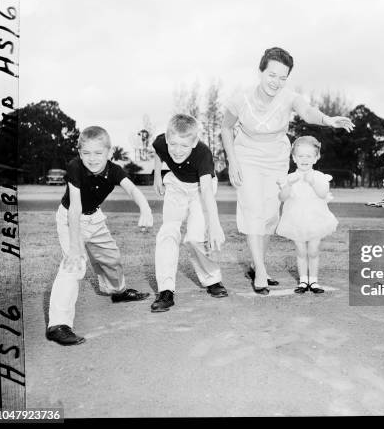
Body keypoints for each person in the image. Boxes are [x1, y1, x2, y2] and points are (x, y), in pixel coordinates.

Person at [221, 47, 354, 295]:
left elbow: (308, 112)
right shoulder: (240, 99)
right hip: (247, 156)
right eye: (272, 75)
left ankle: (255, 262)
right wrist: (233, 161)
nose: (277, 82)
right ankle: (260, 271)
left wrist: (328, 120)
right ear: (261, 71)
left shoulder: (289, 97)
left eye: (283, 77)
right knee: (252, 210)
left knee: (271, 214)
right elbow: (226, 128)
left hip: (276, 158)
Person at [46, 126, 153, 346]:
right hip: (70, 218)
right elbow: (75, 209)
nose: (92, 158)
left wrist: (146, 208)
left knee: (111, 258)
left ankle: (117, 292)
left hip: (94, 218)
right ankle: (58, 324)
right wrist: (75, 247)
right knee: (74, 265)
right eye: (87, 153)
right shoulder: (75, 167)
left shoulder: (114, 170)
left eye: (98, 153)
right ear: (79, 152)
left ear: (109, 152)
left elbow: (132, 190)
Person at [150, 114, 227, 312]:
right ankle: (165, 290)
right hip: (176, 184)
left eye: (184, 146)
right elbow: (158, 151)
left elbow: (207, 192)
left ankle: (212, 279)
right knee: (168, 232)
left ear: (194, 142)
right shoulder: (161, 141)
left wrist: (215, 225)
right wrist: (157, 174)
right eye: (173, 144)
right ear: (167, 139)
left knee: (195, 238)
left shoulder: (202, 153)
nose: (177, 151)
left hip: (200, 189)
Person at [276, 136, 338, 294]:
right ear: (294, 158)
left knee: (313, 250)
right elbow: (282, 198)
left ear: (316, 158)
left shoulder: (319, 177)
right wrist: (288, 185)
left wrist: (313, 182)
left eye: (309, 156)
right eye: (300, 156)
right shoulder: (290, 178)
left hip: (315, 219)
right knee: (301, 251)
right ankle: (303, 280)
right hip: (296, 220)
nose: (304, 159)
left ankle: (314, 281)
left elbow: (323, 194)